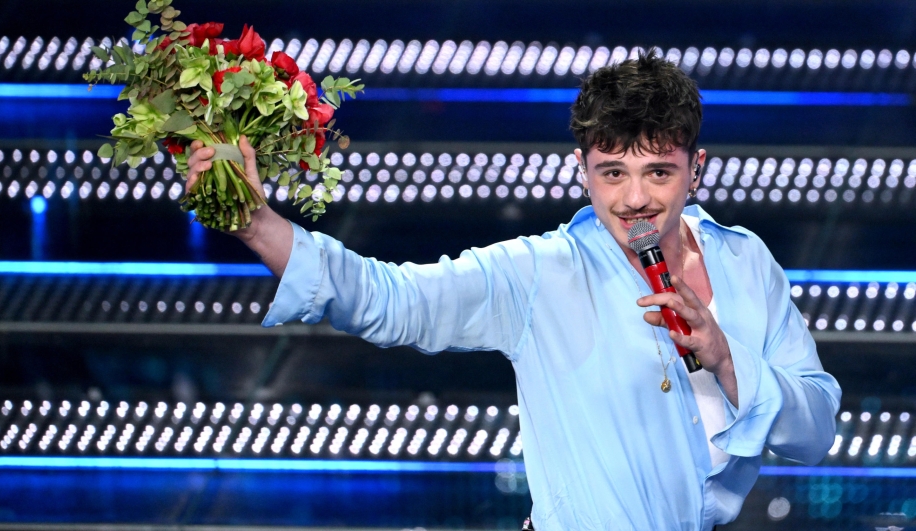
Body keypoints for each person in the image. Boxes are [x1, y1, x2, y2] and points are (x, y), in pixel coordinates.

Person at [185, 51, 841, 530]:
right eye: (612, 171)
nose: (635, 197)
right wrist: (256, 225)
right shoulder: (541, 273)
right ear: (580, 170)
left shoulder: (745, 259)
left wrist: (726, 357)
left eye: (658, 171)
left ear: (696, 170)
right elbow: (389, 297)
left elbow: (814, 429)